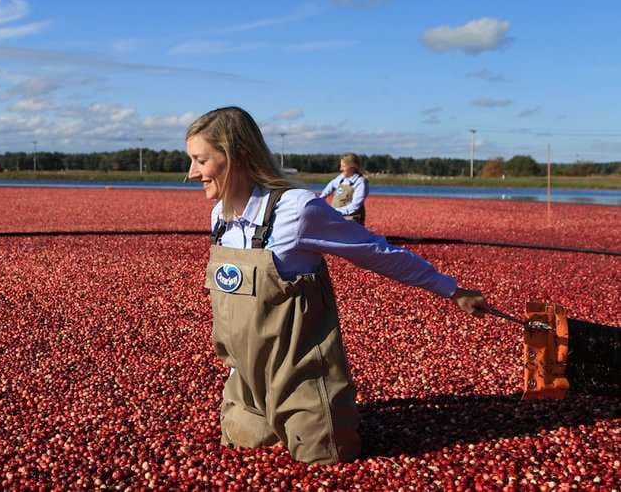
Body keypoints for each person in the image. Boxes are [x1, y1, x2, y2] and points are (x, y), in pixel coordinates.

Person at [185, 106, 487, 465]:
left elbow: (377, 252)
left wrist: (452, 290)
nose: (191, 173)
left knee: (326, 458)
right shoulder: (220, 217)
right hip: (245, 385)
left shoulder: (295, 210)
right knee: (244, 448)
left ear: (236, 156)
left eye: (200, 160)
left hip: (300, 381)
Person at [319, 153, 368, 225]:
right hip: (337, 218)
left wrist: (334, 211)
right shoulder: (341, 178)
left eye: (343, 166)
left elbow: (355, 206)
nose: (340, 169)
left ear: (352, 167)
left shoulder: (360, 182)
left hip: (352, 221)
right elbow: (329, 187)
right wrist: (319, 200)